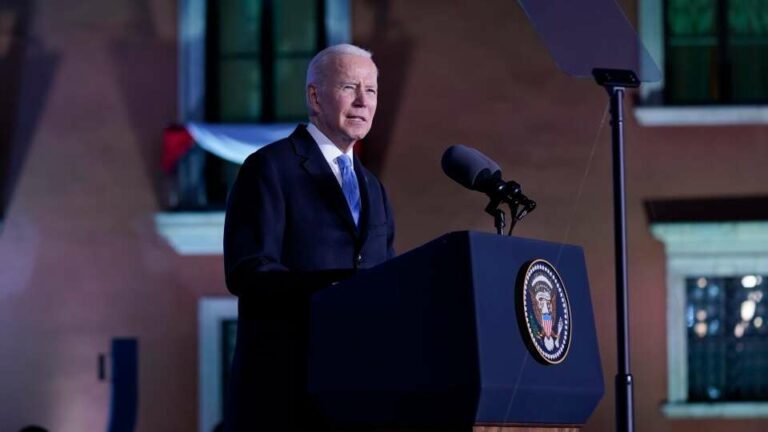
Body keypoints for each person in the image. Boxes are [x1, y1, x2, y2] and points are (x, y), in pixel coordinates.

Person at [223, 44, 395, 430]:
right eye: (349, 87)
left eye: (371, 90)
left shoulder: (374, 187)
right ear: (315, 97)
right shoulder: (268, 167)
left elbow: (387, 276)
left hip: (359, 394)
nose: (363, 101)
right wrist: (336, 289)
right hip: (285, 395)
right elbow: (248, 271)